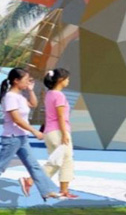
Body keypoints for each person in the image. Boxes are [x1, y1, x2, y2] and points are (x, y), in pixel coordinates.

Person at [0, 67, 63, 203]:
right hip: (12, 138)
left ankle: (47, 191)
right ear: (16, 81)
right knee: (0, 166)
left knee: (34, 165)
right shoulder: (10, 97)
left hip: (21, 137)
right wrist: (34, 131)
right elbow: (17, 119)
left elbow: (33, 104)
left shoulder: (20, 97)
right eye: (26, 80)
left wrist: (30, 90)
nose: (28, 82)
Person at [41, 68, 77, 198]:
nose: (68, 81)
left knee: (55, 162)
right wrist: (65, 134)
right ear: (60, 80)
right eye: (67, 78)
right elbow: (60, 116)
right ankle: (64, 191)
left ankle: (31, 180)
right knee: (67, 160)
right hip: (58, 132)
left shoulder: (49, 94)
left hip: (49, 132)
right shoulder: (59, 95)